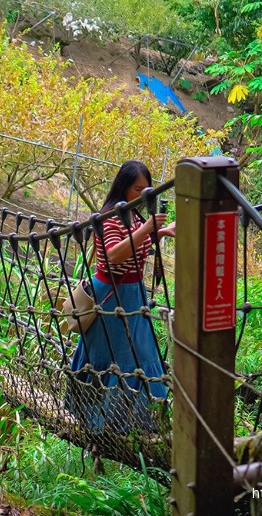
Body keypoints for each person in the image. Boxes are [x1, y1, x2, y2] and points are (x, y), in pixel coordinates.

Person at [66, 160, 175, 435]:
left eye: (146, 189)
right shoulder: (110, 217)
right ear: (123, 187)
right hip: (111, 297)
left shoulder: (133, 215)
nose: (142, 193)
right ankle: (101, 424)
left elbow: (136, 245)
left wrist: (159, 231)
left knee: (140, 354)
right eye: (137, 188)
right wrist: (148, 229)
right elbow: (114, 255)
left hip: (132, 294)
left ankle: (140, 423)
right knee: (113, 357)